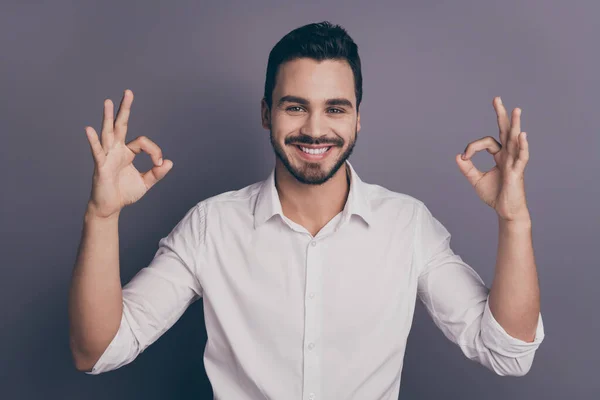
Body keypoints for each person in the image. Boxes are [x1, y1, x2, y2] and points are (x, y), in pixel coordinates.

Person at [69, 21, 544, 400]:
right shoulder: (212, 225)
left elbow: (507, 351)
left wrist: (514, 220)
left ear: (358, 118)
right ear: (265, 113)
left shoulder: (407, 225)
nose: (315, 130)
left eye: (335, 109)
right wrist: (102, 215)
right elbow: (98, 350)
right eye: (295, 107)